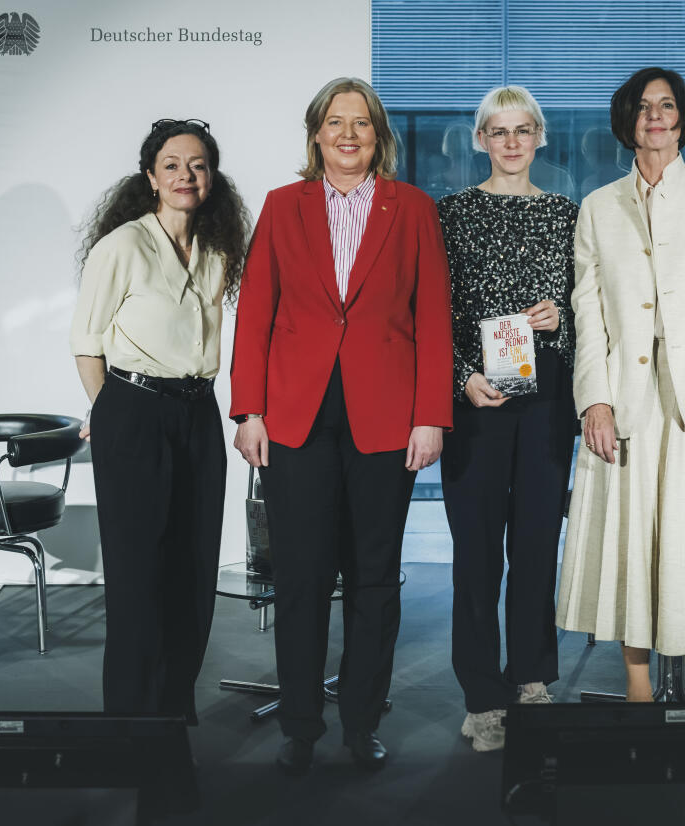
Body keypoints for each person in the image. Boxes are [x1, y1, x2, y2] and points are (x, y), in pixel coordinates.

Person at [229, 77, 452, 774]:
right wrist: (248, 409)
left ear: (377, 135)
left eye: (361, 123)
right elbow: (255, 312)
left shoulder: (412, 208)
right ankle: (301, 723)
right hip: (294, 417)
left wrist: (431, 417)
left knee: (374, 579)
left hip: (385, 419)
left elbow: (433, 318)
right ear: (316, 134)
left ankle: (361, 722)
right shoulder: (281, 205)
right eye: (335, 122)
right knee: (299, 576)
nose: (348, 134)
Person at [556, 67, 685, 704]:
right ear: (628, 122)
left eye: (666, 105)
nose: (655, 115)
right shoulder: (597, 208)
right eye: (643, 107)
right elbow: (587, 312)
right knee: (631, 546)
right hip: (625, 407)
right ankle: (638, 693)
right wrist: (593, 398)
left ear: (683, 119)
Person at [70, 118, 250, 720]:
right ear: (150, 176)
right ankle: (129, 719)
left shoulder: (217, 250)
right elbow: (87, 343)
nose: (185, 175)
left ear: (211, 177)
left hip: (198, 413)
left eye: (197, 165)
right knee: (138, 573)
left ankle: (172, 708)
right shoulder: (122, 245)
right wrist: (111, 414)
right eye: (172, 164)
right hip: (134, 410)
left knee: (195, 570)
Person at [437, 86, 578, 752]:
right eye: (499, 131)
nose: (513, 142)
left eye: (524, 130)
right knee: (476, 553)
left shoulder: (566, 214)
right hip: (475, 392)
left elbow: (589, 312)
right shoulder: (450, 215)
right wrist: (460, 375)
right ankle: (481, 696)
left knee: (535, 546)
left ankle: (529, 678)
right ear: (480, 140)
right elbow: (427, 312)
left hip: (545, 392)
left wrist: (562, 318)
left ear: (541, 136)